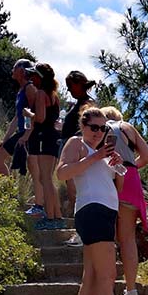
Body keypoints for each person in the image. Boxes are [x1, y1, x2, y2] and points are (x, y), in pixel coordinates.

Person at [57, 105, 132, 295]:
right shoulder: (77, 144)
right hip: (93, 211)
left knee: (90, 277)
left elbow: (118, 186)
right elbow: (62, 173)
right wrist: (95, 157)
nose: (98, 132)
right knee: (107, 276)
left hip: (105, 212)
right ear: (83, 126)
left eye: (103, 128)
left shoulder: (104, 152)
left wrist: (117, 164)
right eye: (94, 127)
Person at [100, 107, 148, 295]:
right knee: (128, 239)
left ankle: (105, 288)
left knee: (106, 237)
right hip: (132, 181)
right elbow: (147, 156)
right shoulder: (128, 128)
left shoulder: (101, 128)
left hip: (109, 178)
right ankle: (131, 291)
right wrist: (130, 167)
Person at [24, 63, 64, 230]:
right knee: (47, 178)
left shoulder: (41, 93)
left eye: (33, 75)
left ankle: (50, 217)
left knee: (45, 179)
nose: (31, 78)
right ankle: (56, 217)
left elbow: (40, 118)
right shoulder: (54, 95)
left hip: (43, 137)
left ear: (39, 77)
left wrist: (28, 113)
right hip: (52, 138)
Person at [60, 71, 97, 218]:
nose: (68, 89)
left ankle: (81, 225)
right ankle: (79, 223)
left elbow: (89, 128)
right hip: (72, 148)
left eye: (70, 85)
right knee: (72, 186)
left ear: (79, 84)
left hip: (78, 151)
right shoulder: (80, 103)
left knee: (76, 188)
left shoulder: (88, 104)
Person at [0, 58, 33, 177]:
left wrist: (26, 134)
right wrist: (5, 140)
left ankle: (9, 190)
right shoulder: (21, 90)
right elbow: (17, 117)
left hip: (27, 133)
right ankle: (9, 190)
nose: (12, 70)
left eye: (14, 68)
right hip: (22, 132)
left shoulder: (29, 88)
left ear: (21, 70)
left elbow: (31, 112)